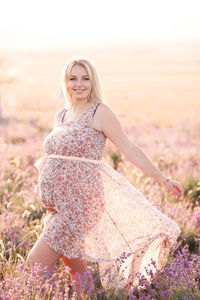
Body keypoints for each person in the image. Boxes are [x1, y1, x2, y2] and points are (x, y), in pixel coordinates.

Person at [26, 56, 184, 297]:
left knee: (33, 266)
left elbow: (129, 148)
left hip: (80, 206)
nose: (79, 84)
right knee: (76, 272)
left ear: (93, 81)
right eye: (73, 78)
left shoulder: (99, 112)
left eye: (85, 78)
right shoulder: (61, 114)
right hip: (59, 207)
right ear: (65, 82)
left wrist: (163, 179)